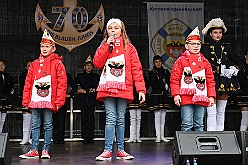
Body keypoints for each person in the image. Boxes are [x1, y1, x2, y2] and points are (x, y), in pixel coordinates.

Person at [93, 18, 146, 161]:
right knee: (111, 118)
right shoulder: (104, 45)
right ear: (107, 31)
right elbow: (97, 63)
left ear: (122, 30)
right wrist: (106, 46)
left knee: (121, 119)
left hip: (124, 87)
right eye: (110, 28)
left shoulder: (130, 47)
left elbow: (137, 69)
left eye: (116, 28)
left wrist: (141, 89)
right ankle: (107, 150)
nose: (113, 31)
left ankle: (121, 149)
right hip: (108, 87)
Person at [19, 29, 67, 159]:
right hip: (35, 99)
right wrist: (26, 100)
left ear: (53, 48)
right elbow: (28, 83)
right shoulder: (34, 64)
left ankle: (45, 148)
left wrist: (59, 101)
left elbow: (62, 84)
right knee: (35, 124)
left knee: (47, 123)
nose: (44, 49)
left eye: (47, 46)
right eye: (42, 46)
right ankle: (34, 149)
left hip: (50, 100)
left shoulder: (58, 64)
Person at [170, 27, 216, 132]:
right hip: (186, 97)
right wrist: (176, 94)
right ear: (186, 46)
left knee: (199, 125)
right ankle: (187, 148)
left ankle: (198, 148)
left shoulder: (205, 62)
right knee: (187, 124)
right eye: (193, 44)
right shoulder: (180, 61)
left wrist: (211, 96)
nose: (195, 46)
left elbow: (210, 80)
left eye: (198, 44)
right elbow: (174, 79)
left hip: (201, 97)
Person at [201, 18, 243, 131]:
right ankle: (211, 137)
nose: (218, 35)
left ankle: (220, 136)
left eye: (220, 32)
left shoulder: (227, 46)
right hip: (210, 80)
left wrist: (233, 69)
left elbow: (239, 61)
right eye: (215, 32)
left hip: (224, 80)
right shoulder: (204, 47)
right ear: (210, 33)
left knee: (221, 111)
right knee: (211, 111)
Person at [74, 55, 99, 144]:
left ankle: (91, 137)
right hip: (83, 100)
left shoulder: (96, 76)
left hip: (92, 99)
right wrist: (78, 90)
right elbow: (73, 84)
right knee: (84, 119)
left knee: (91, 119)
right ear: (84, 67)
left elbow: (99, 86)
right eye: (87, 65)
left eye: (90, 65)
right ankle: (85, 137)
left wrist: (91, 91)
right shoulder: (80, 76)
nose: (89, 67)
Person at [147, 55, 170, 142]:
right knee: (157, 116)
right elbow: (153, 84)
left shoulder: (166, 71)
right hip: (156, 95)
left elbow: (169, 80)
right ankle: (158, 135)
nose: (158, 63)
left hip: (164, 95)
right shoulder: (152, 72)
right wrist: (163, 86)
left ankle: (162, 135)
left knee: (163, 116)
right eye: (156, 62)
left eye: (159, 61)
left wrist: (168, 86)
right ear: (153, 63)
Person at [53, 70, 77, 144]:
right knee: (53, 118)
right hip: (53, 99)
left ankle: (61, 137)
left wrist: (70, 94)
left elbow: (74, 85)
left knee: (61, 118)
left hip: (62, 99)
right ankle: (55, 137)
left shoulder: (66, 75)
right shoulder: (51, 73)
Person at [125, 75, 149, 143]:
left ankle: (137, 137)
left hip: (138, 96)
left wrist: (141, 89)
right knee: (132, 118)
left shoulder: (139, 75)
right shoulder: (128, 74)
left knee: (138, 118)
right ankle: (132, 136)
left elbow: (147, 82)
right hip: (131, 96)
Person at [19, 59, 33, 145]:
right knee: (26, 119)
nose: (30, 67)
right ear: (25, 67)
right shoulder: (23, 75)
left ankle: (30, 138)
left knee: (33, 120)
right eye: (29, 66)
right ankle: (24, 138)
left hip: (34, 98)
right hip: (26, 98)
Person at [0, 60, 14, 133]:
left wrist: (10, 90)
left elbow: (11, 84)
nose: (1, 67)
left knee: (3, 119)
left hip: (5, 97)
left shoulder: (7, 76)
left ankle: (1, 132)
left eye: (2, 65)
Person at [237, 50, 248, 131]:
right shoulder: (241, 67)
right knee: (245, 115)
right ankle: (242, 134)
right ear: (245, 56)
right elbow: (241, 80)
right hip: (244, 92)